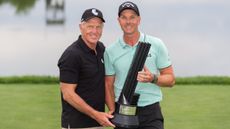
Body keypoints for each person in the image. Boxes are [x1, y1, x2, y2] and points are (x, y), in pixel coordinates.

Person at [104, 1, 175, 129]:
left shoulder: (156, 44)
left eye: (132, 17)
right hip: (123, 110)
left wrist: (153, 78)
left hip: (150, 111)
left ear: (139, 20)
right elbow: (108, 84)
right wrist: (113, 110)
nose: (128, 21)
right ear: (118, 20)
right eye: (124, 17)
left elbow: (170, 79)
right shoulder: (110, 51)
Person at [58, 8, 115, 129]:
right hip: (76, 125)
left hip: (98, 122)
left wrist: (113, 110)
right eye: (90, 26)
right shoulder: (71, 55)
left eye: (98, 27)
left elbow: (104, 82)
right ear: (81, 27)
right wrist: (96, 115)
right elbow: (67, 94)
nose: (94, 31)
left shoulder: (101, 48)